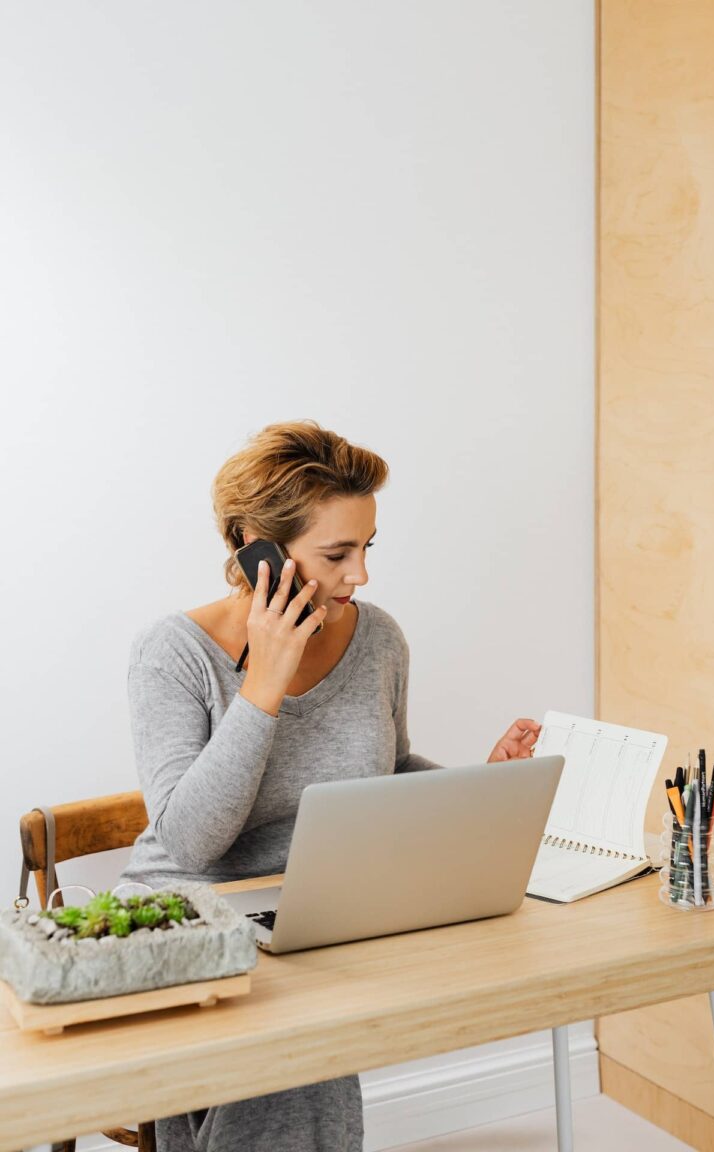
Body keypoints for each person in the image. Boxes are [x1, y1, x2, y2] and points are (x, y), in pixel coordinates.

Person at [120, 419, 541, 1152]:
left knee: (300, 1033)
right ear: (254, 548)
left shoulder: (376, 637)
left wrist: (479, 787)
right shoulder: (172, 655)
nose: (361, 576)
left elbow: (387, 772)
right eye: (337, 554)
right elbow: (188, 842)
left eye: (367, 548)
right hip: (189, 911)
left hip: (314, 912)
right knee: (295, 1049)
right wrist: (264, 685)